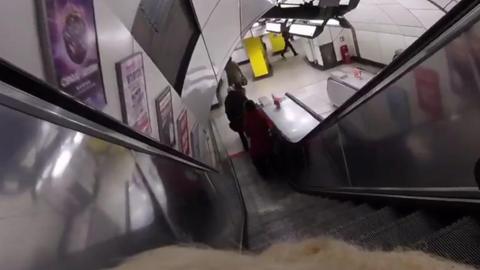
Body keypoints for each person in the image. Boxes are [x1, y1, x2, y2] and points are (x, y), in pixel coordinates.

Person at [243, 100, 273, 177]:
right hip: (267, 143)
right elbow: (267, 127)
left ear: (246, 109)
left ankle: (264, 174)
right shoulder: (261, 115)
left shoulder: (247, 119)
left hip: (256, 148)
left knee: (257, 160)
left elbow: (248, 134)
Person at [224, 83, 249, 151]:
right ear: (234, 90)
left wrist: (232, 120)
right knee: (249, 129)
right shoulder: (240, 94)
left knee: (241, 134)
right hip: (245, 117)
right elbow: (247, 102)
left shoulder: (227, 100)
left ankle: (246, 147)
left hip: (236, 120)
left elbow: (227, 112)